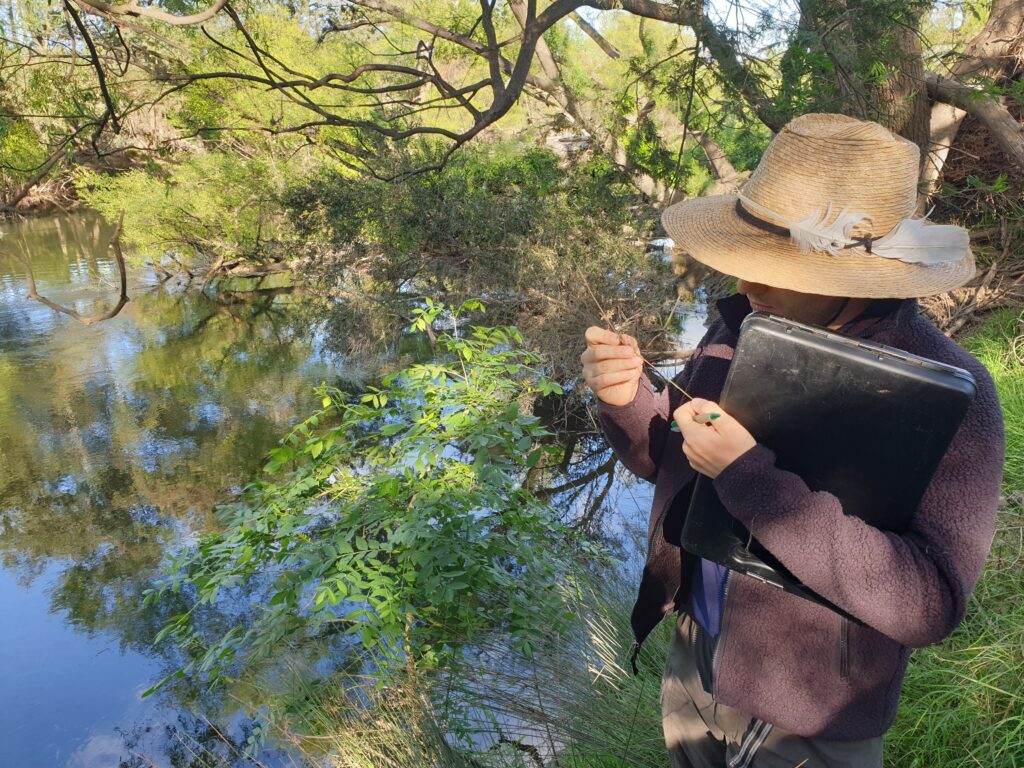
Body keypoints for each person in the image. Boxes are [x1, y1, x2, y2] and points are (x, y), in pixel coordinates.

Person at [580, 113, 1005, 768]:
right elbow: (666, 460)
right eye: (747, 261)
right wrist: (625, 401)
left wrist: (746, 475)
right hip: (696, 651)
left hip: (810, 713)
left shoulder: (951, 396)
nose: (746, 285)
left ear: (852, 276)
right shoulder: (742, 325)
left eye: (774, 268)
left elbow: (929, 603)